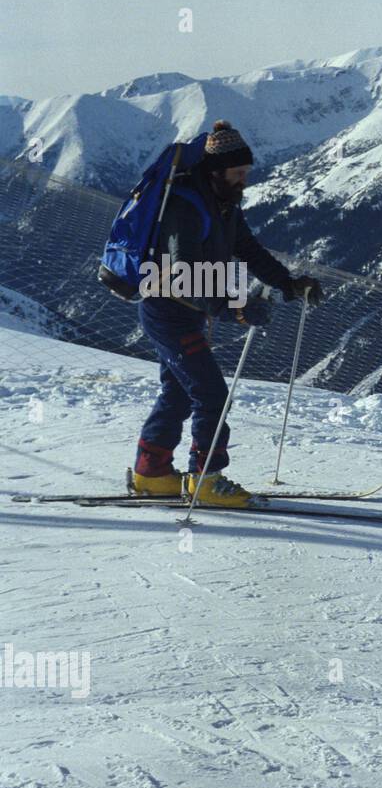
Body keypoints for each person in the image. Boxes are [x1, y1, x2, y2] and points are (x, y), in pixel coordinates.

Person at [130, 120, 324, 507]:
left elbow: (248, 249)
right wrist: (232, 307)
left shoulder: (222, 204)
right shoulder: (185, 207)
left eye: (246, 173)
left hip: (187, 312)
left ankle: (150, 473)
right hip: (166, 309)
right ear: (215, 171)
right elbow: (181, 275)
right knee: (212, 395)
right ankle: (206, 479)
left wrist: (289, 283)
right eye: (238, 174)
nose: (244, 181)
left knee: (179, 393)